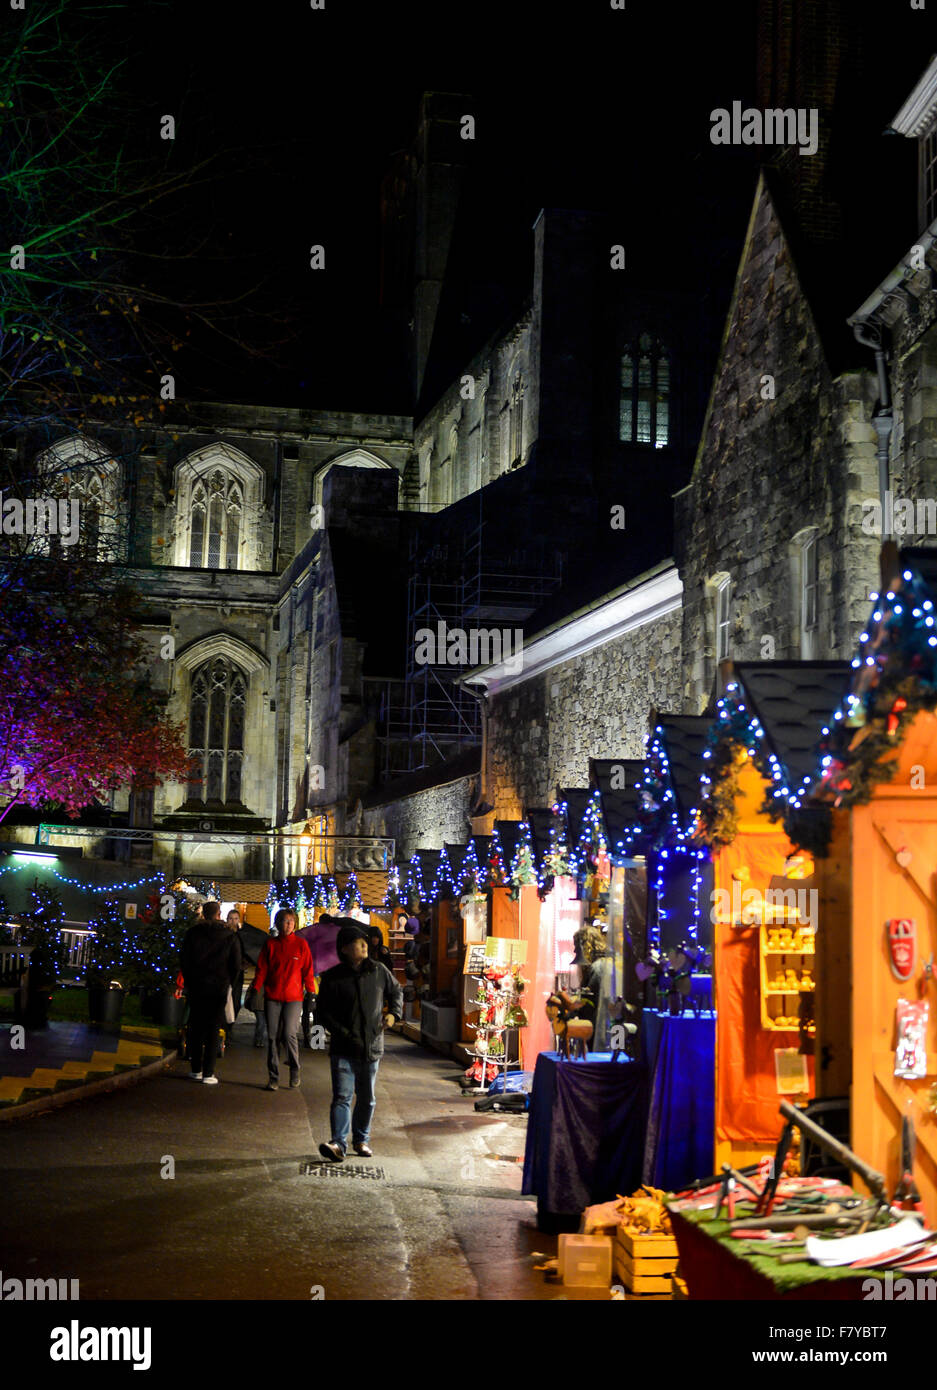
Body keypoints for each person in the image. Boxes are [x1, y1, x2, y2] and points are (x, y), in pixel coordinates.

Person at [316, 923, 403, 1161]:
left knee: (367, 1098)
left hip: (371, 1045)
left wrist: (394, 1014)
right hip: (343, 1048)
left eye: (365, 941)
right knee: (342, 1096)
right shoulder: (333, 977)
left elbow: (396, 992)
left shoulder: (378, 970)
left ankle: (361, 1140)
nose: (365, 944)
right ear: (344, 949)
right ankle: (338, 1144)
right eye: (358, 942)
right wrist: (342, 1033)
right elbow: (322, 1013)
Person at [178, 900, 242, 1086]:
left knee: (196, 1027)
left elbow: (184, 959)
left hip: (197, 985)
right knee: (213, 1028)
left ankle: (195, 1069)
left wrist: (189, 981)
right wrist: (229, 982)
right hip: (218, 987)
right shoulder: (229, 936)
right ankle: (209, 1072)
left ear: (203, 914)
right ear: (218, 914)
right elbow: (236, 964)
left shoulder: (193, 934)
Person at [253, 907, 316, 1090]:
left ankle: (295, 1069)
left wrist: (311, 992)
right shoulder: (270, 945)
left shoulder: (301, 945)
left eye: (290, 921)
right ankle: (273, 1077)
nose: (287, 925)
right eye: (284, 921)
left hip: (293, 997)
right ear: (278, 923)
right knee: (272, 1037)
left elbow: (307, 971)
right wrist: (256, 988)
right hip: (272, 996)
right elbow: (262, 968)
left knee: (289, 1034)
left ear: (294, 924)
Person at [230, 911, 271, 1048]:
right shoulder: (227, 935)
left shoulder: (243, 936)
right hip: (227, 974)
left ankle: (229, 1029)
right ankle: (226, 1030)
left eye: (235, 918)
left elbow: (249, 954)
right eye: (231, 918)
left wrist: (245, 964)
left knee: (235, 1003)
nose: (233, 921)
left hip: (237, 975)